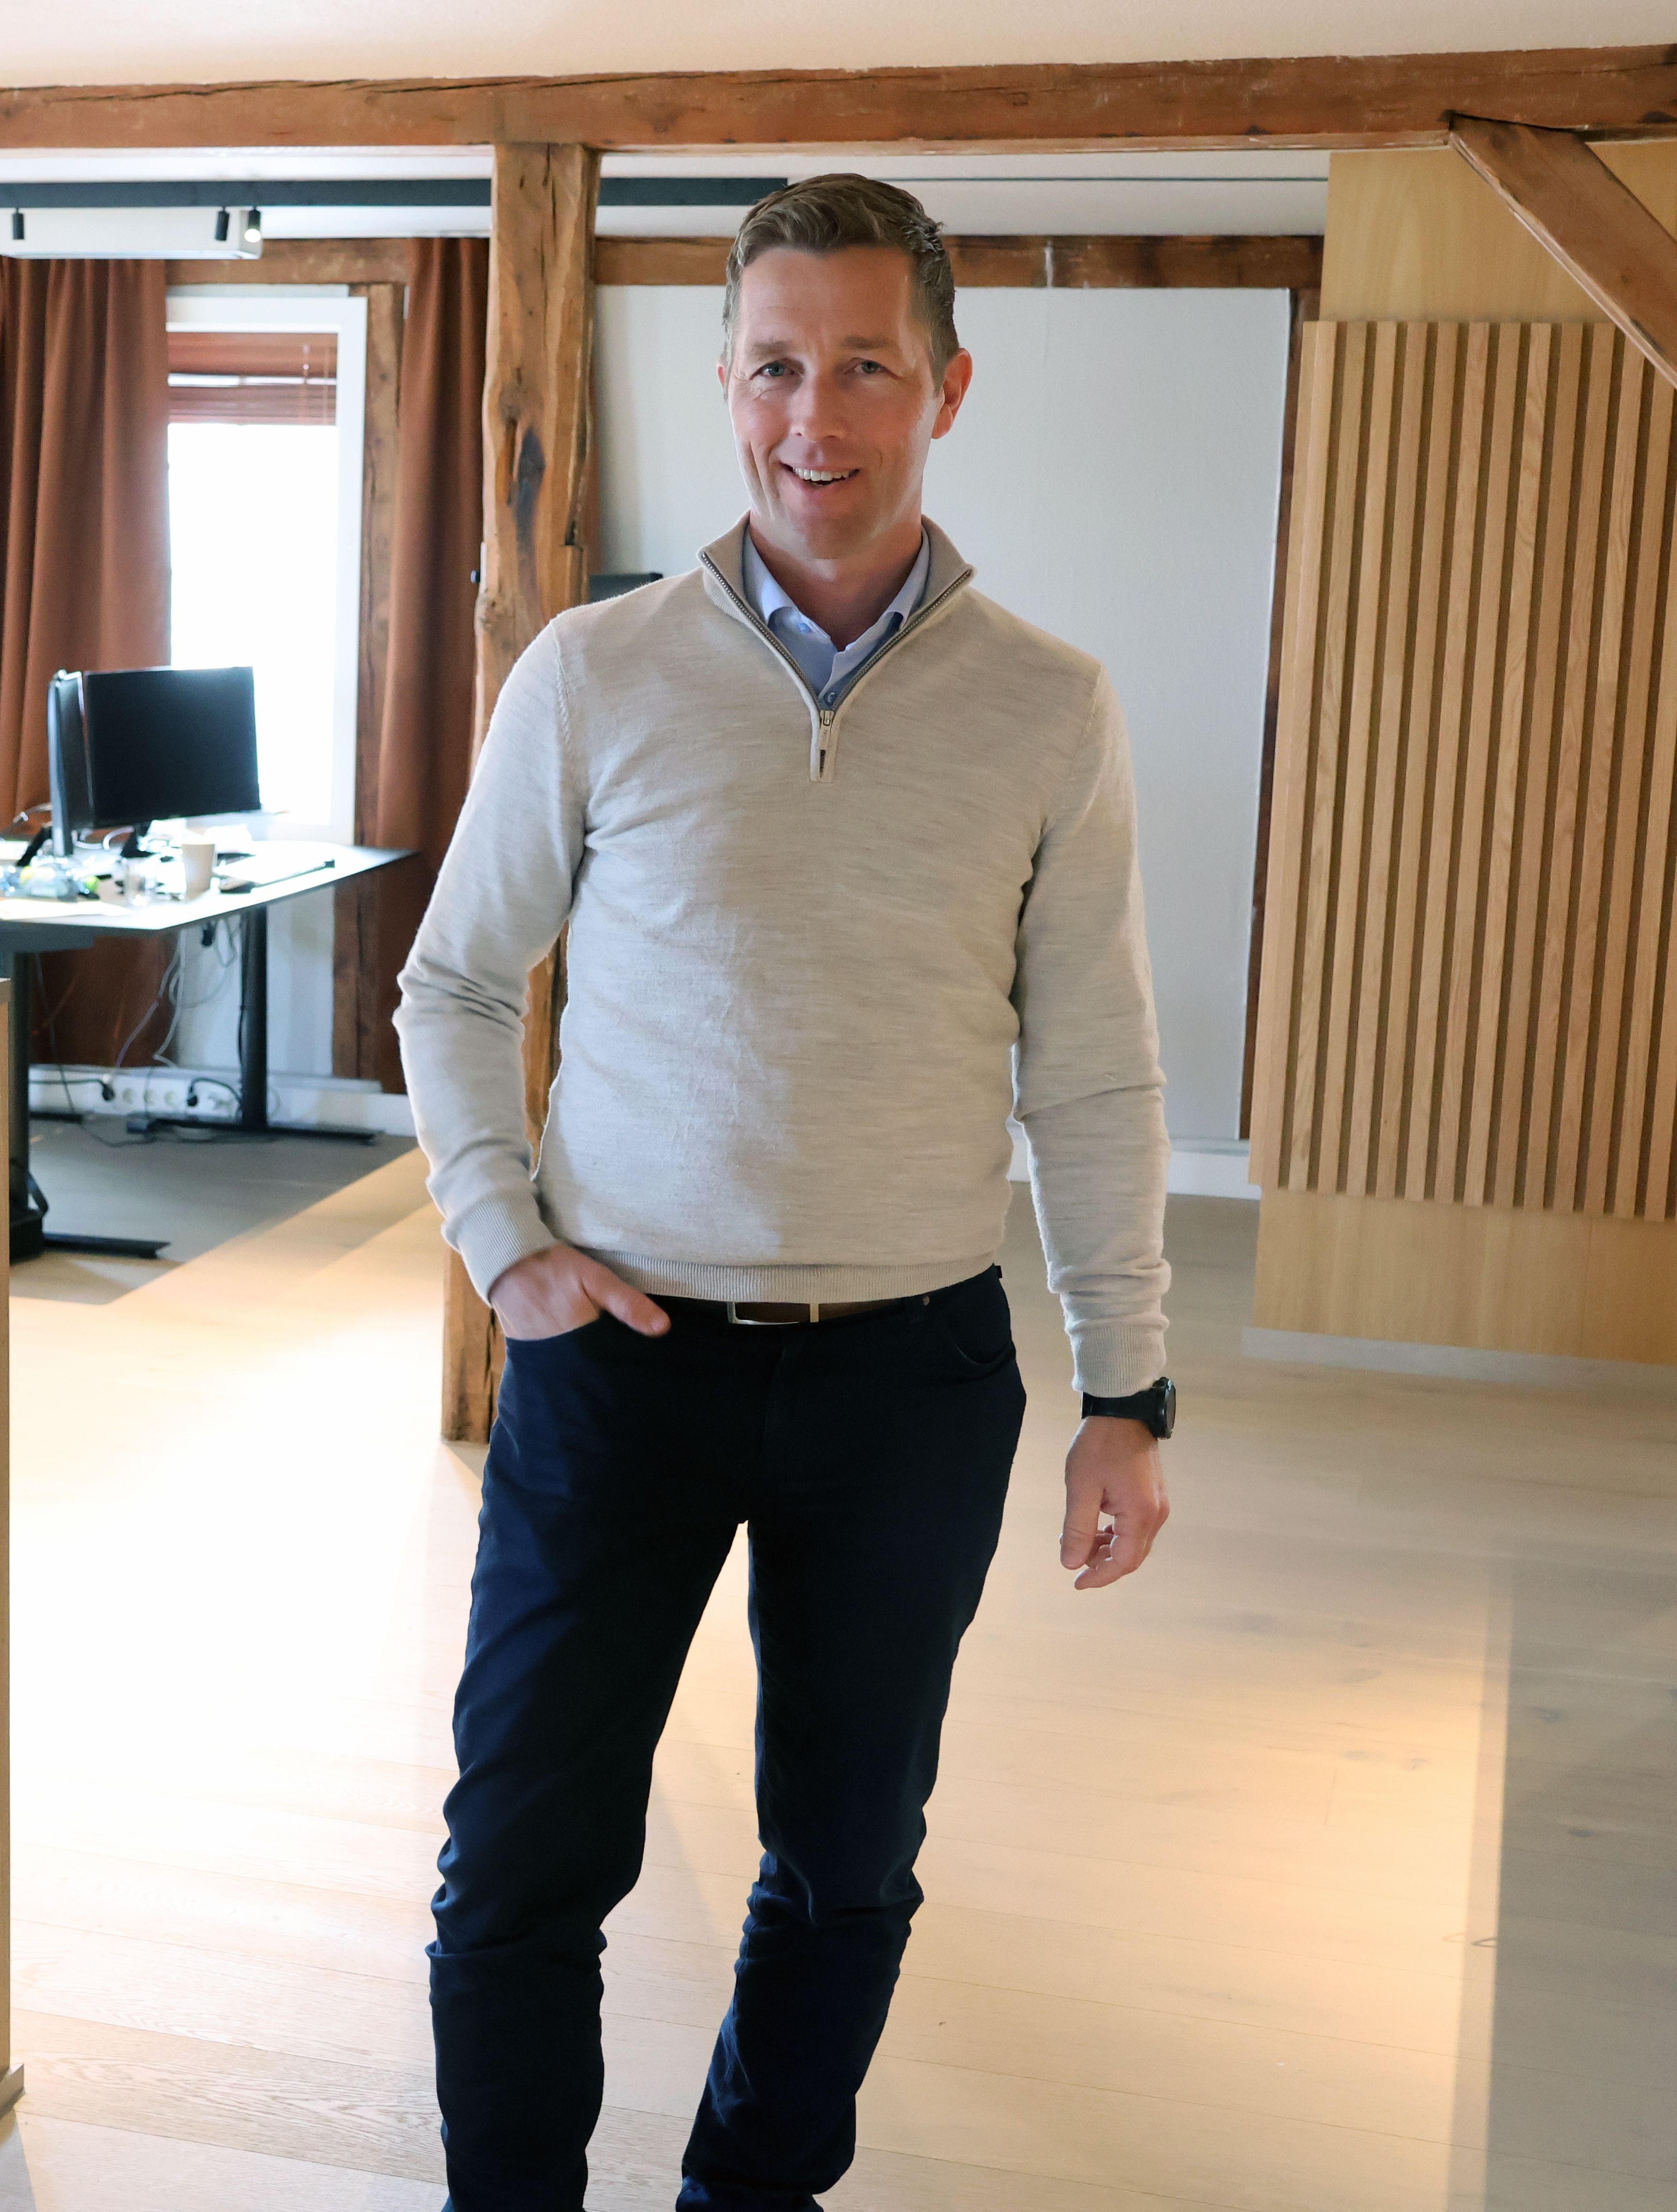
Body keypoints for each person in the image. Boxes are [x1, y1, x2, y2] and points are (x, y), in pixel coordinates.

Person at [395, 173, 1178, 2212]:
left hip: (907, 1377)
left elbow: (1096, 1066)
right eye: (771, 368)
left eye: (863, 368)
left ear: (948, 387)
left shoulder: (1049, 705)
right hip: (619, 1356)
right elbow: (456, 981)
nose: (811, 417)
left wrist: (1129, 1387)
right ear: (724, 380)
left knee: (846, 1858)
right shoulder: (593, 670)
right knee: (523, 1856)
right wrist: (504, 1243)